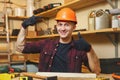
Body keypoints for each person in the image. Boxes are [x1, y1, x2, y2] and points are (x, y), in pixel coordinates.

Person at [16, 8, 101, 75]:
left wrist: (89, 49)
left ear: (74, 27)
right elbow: (20, 48)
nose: (63, 29)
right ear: (56, 26)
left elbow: (96, 71)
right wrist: (24, 26)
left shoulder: (79, 49)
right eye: (60, 24)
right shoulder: (46, 44)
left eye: (67, 25)